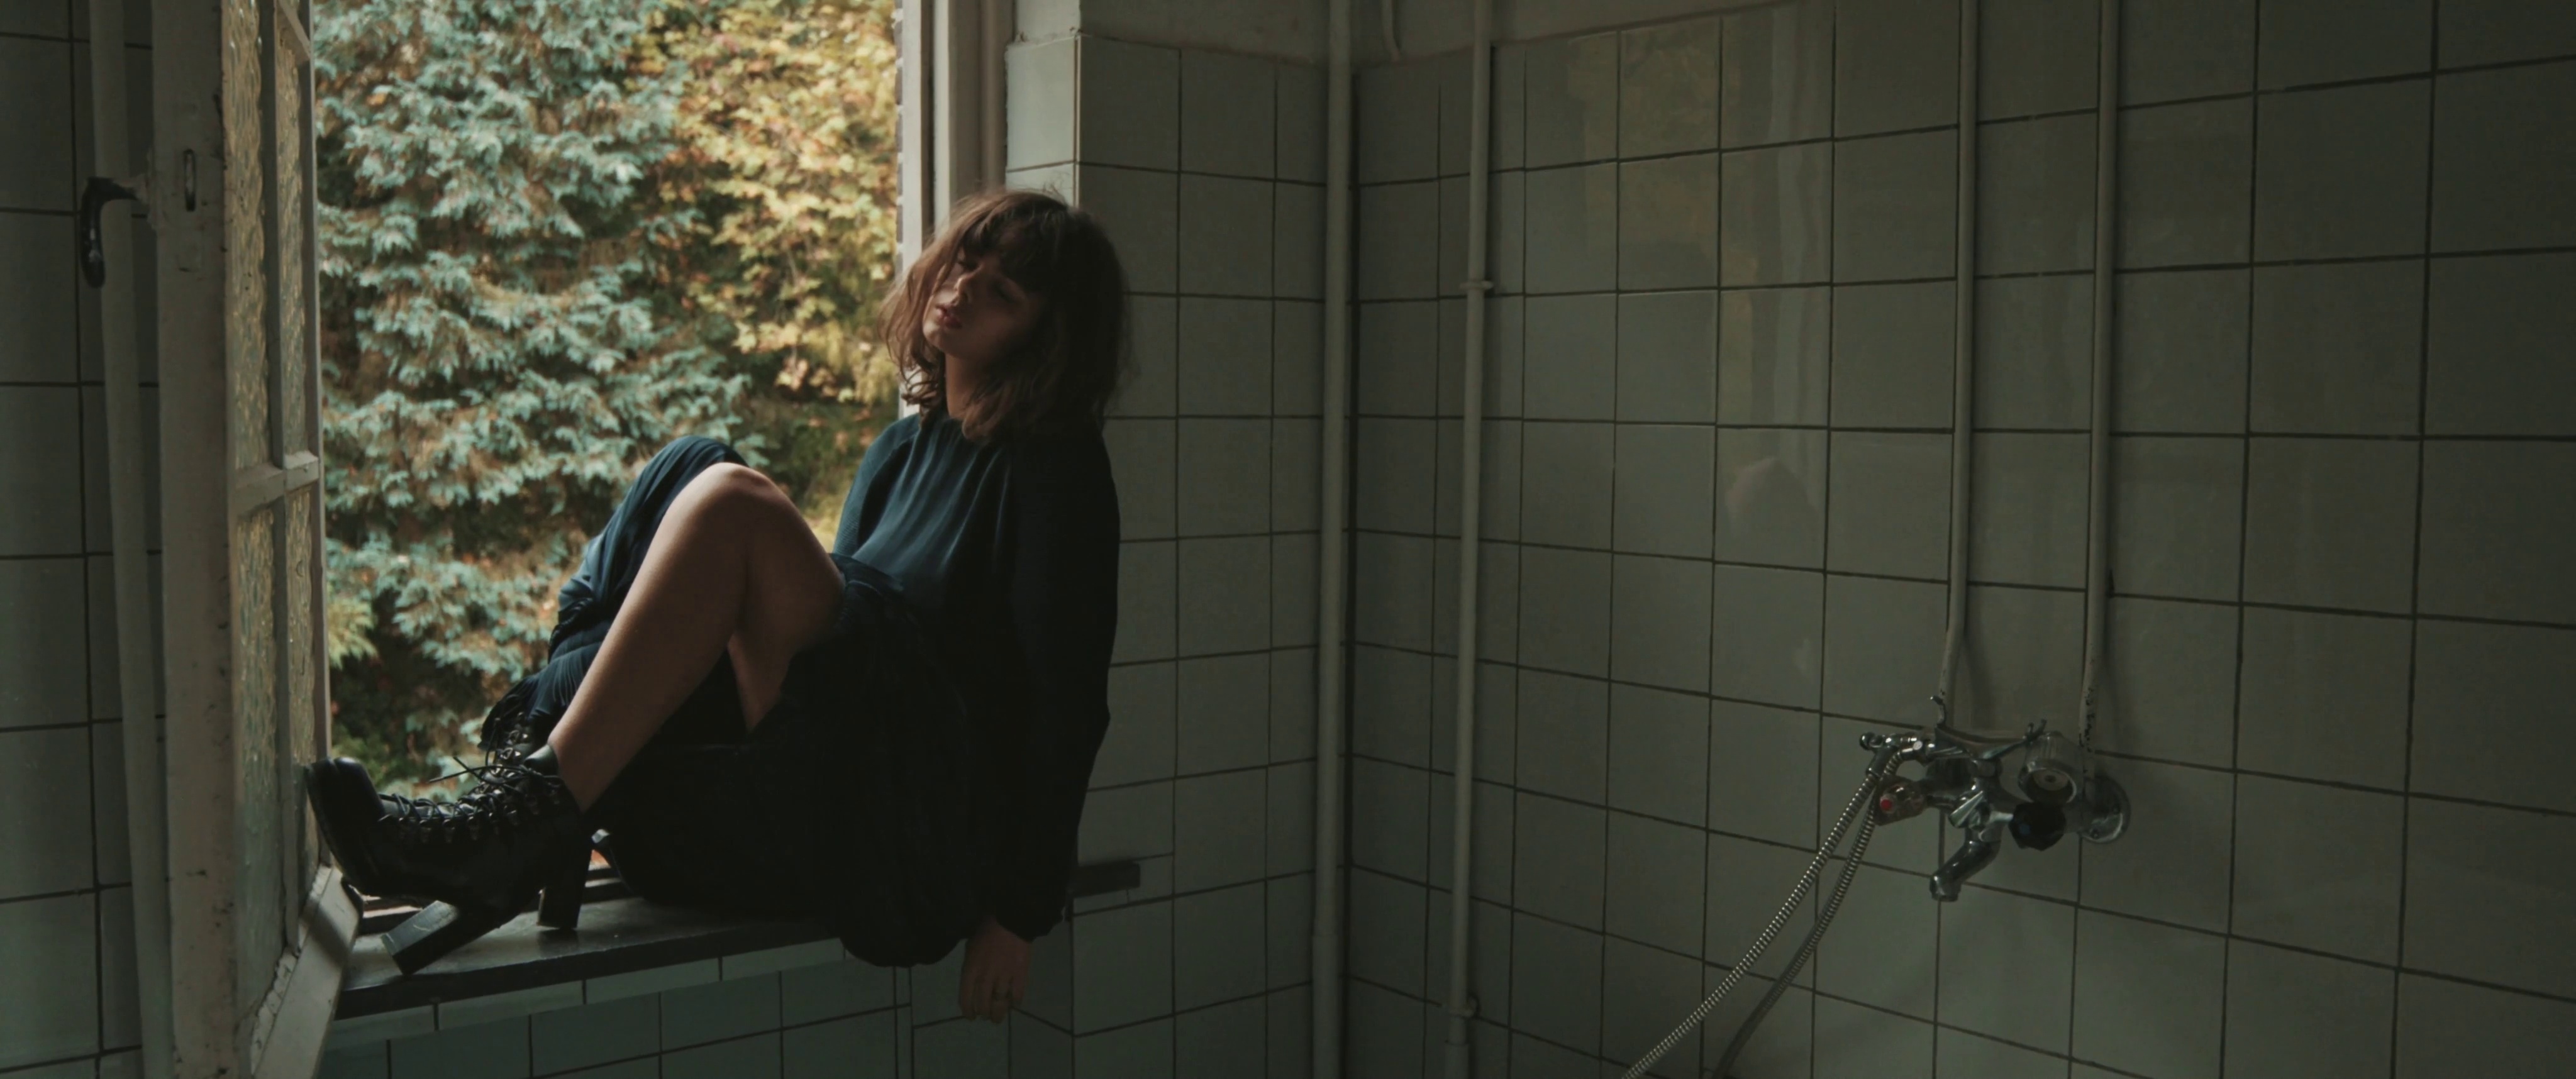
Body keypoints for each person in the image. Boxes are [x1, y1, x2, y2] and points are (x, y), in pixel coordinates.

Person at [305, 187, 1128, 1024]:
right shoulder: (898, 451)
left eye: (1002, 292)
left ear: (1045, 340)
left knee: (733, 501)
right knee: (691, 464)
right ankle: (533, 806)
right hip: (821, 758)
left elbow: (1065, 708)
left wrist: (1019, 914)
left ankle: (516, 829)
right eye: (966, 260)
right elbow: (823, 654)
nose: (964, 286)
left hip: (904, 827)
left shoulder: (1055, 470)